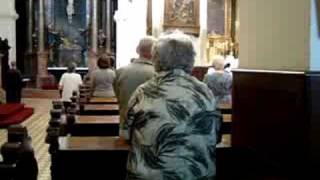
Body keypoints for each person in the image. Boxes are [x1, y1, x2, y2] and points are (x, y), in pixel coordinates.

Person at [125, 32, 221, 179]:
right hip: (197, 174)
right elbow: (216, 134)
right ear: (191, 59)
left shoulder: (144, 92)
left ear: (155, 59)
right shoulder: (205, 91)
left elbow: (126, 133)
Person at [113, 36, 156, 134]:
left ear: (137, 50)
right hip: (149, 130)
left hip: (125, 126)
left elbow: (118, 97)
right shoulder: (158, 74)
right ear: (155, 52)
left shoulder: (120, 71)